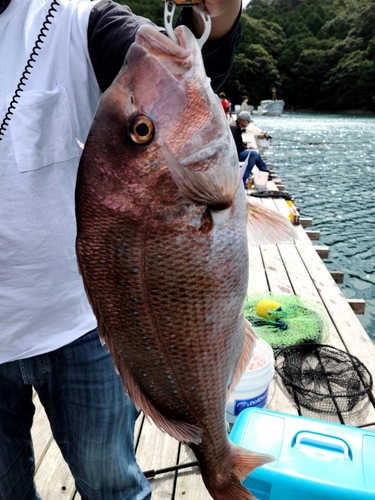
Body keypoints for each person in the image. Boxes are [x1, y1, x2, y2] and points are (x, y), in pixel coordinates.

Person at [0, 1, 242, 499]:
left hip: (87, 328)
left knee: (111, 484)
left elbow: (182, 65)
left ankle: (218, 463)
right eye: (142, 130)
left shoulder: (78, 19)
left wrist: (216, 23)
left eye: (142, 132)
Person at [229, 110, 269, 187]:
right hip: (234, 154)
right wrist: (247, 147)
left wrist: (246, 145)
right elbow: (237, 147)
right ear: (242, 120)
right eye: (248, 121)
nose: (248, 123)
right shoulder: (234, 128)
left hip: (236, 151)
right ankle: (246, 174)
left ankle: (264, 171)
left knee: (255, 152)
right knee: (254, 154)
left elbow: (238, 143)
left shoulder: (236, 126)